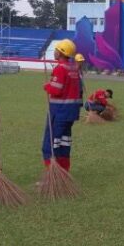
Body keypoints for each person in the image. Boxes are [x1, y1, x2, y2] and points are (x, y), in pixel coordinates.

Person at [42, 39, 82, 171]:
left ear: (60, 53)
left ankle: (52, 174)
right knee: (64, 142)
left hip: (59, 112)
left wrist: (47, 86)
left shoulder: (60, 68)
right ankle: (64, 171)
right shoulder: (74, 68)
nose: (54, 52)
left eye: (56, 50)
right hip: (71, 113)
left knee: (50, 143)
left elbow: (56, 90)